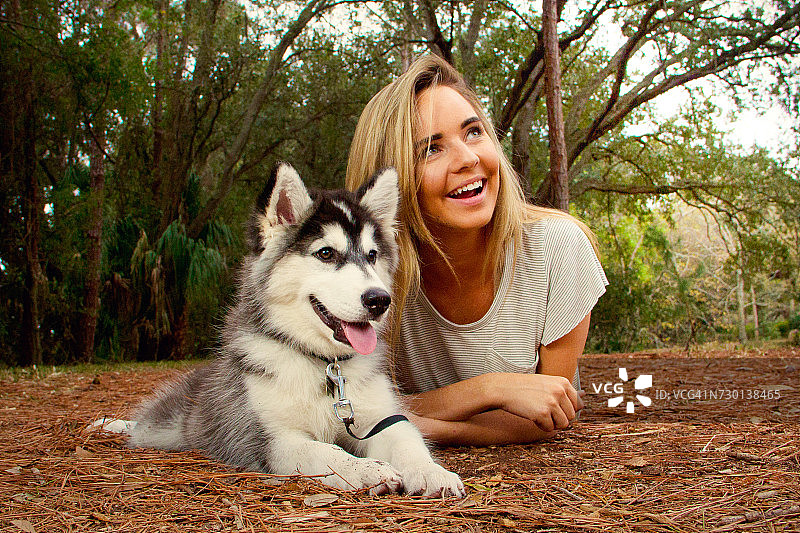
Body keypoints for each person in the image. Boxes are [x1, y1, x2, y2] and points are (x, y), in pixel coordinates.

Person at [345, 55, 608, 446]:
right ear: (391, 184)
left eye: (473, 132)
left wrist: (420, 425)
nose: (468, 159)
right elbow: (350, 402)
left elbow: (546, 417)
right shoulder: (370, 280)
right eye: (431, 149)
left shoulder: (559, 248)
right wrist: (491, 388)